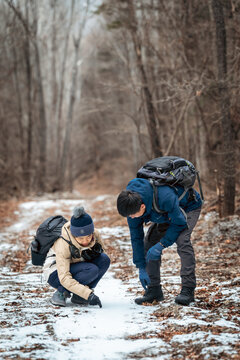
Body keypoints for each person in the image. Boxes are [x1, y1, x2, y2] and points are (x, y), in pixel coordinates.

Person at [117, 177, 202, 306]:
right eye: (129, 216)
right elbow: (136, 238)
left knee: (182, 241)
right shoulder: (132, 207)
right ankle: (154, 290)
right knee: (149, 243)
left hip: (188, 206)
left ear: (143, 206)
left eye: (133, 215)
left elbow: (179, 223)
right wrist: (141, 267)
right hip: (165, 213)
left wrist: (161, 245)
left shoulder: (164, 197)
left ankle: (188, 290)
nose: (131, 218)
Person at [43, 206, 110, 307]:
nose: (85, 241)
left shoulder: (95, 234)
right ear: (74, 235)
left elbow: (101, 255)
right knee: (91, 270)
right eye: (81, 238)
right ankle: (60, 293)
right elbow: (64, 277)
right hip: (56, 273)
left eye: (88, 236)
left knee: (104, 260)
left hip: (76, 266)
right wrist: (89, 294)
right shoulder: (63, 243)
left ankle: (79, 296)